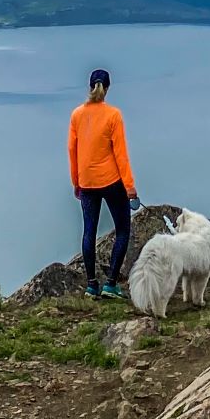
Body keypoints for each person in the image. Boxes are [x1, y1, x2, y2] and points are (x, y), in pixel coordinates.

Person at [68, 67, 140, 298]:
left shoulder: (77, 115)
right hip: (111, 181)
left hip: (87, 182)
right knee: (122, 230)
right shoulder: (113, 115)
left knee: (89, 231)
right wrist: (130, 188)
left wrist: (76, 182)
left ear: (90, 87)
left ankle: (91, 285)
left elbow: (72, 150)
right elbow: (121, 154)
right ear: (107, 88)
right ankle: (110, 283)